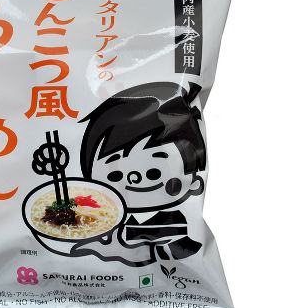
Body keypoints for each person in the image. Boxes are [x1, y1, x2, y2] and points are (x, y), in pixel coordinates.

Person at [72, 81, 205, 266]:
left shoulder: (172, 220)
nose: (135, 179)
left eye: (154, 173)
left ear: (194, 182)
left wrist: (126, 253)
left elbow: (184, 251)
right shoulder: (118, 219)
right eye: (115, 176)